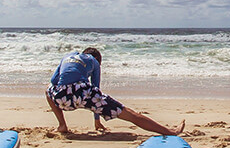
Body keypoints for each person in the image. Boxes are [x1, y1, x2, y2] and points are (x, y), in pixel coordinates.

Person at [46, 48, 184, 136]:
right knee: (130, 114)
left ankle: (62, 125)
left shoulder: (67, 56)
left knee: (47, 91)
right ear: (98, 60)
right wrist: (97, 119)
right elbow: (95, 88)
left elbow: (54, 81)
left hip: (60, 98)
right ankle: (171, 132)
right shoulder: (93, 61)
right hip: (83, 93)